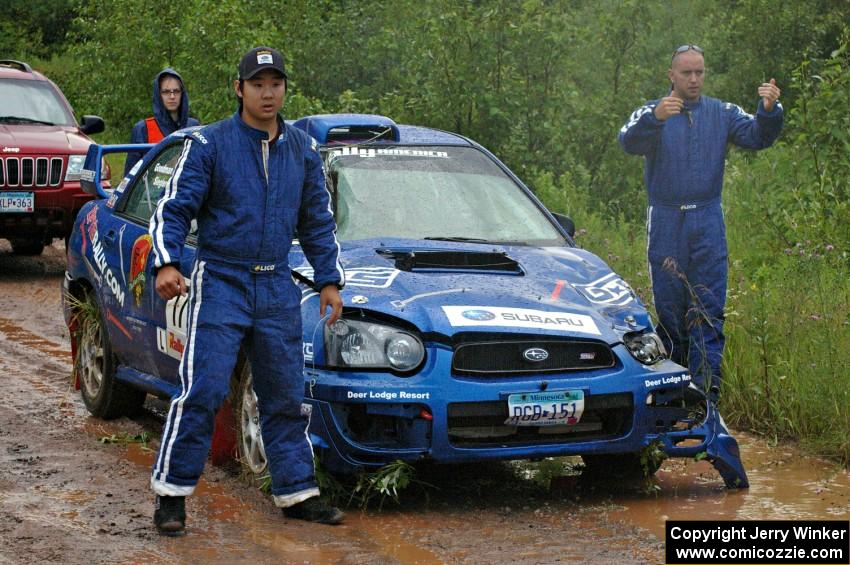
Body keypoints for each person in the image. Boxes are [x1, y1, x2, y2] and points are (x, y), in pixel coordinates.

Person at [148, 46, 346, 536]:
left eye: (275, 83)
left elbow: (317, 221)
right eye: (257, 84)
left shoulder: (301, 148)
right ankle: (171, 495)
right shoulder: (210, 145)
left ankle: (297, 492)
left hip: (277, 283)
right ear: (239, 89)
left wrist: (328, 279)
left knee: (283, 394)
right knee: (205, 388)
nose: (267, 93)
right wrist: (166, 262)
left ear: (284, 89)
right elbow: (173, 209)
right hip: (222, 280)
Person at [618, 44, 783, 402]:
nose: (694, 79)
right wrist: (655, 118)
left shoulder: (721, 111)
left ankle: (706, 395)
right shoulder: (654, 111)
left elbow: (757, 135)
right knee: (671, 313)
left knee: (708, 310)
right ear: (671, 76)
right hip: (665, 219)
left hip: (707, 218)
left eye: (700, 72)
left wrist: (769, 110)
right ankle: (673, 392)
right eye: (687, 73)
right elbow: (627, 142)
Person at [124, 68, 200, 176]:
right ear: (158, 94)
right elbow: (130, 176)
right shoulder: (143, 128)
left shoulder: (193, 127)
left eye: (176, 91)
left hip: (185, 190)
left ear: (182, 94)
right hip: (153, 191)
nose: (172, 96)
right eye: (166, 92)